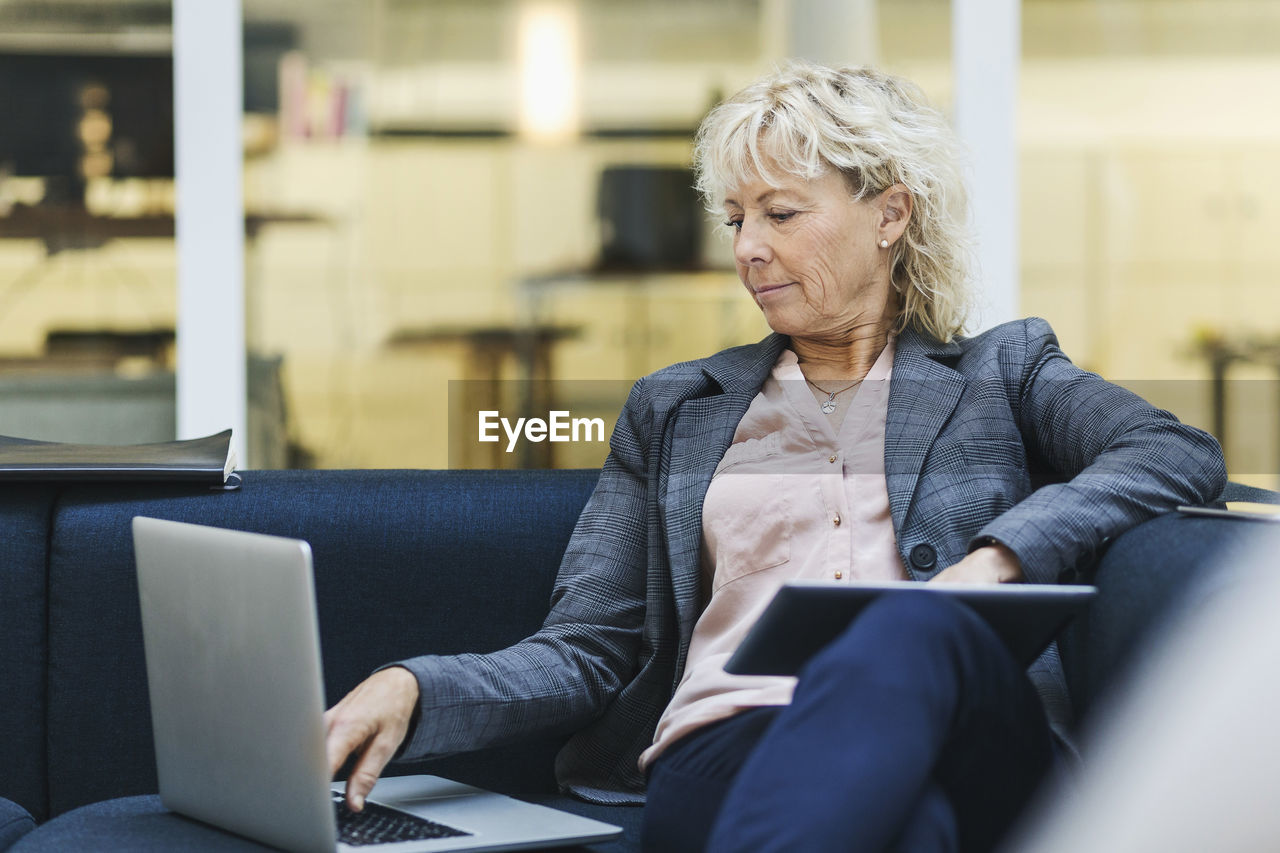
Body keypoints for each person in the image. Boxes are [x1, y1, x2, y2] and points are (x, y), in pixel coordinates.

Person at [324, 62, 1226, 852]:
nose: (748, 248)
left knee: (916, 624)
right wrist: (413, 683)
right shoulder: (676, 408)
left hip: (966, 724)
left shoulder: (1005, 371)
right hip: (731, 738)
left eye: (782, 213)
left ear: (890, 215)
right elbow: (590, 648)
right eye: (736, 218)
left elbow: (1171, 449)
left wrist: (993, 563)